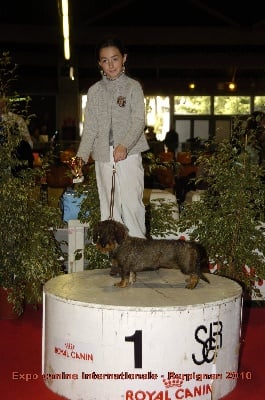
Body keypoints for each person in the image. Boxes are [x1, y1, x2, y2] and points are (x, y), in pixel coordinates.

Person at [74, 36, 149, 238]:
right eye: (105, 60)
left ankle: (138, 252)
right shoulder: (94, 91)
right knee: (108, 205)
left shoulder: (133, 87)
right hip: (102, 156)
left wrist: (124, 145)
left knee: (132, 204)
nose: (110, 64)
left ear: (124, 58)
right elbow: (89, 128)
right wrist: (80, 157)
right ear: (99, 63)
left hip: (129, 154)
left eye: (114, 59)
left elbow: (138, 121)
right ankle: (115, 258)